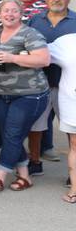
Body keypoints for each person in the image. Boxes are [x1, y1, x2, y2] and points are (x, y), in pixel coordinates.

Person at [0, 0, 50, 192]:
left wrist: (13, 58)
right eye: (5, 11)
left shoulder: (29, 34)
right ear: (0, 14)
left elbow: (44, 59)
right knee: (10, 136)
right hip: (4, 95)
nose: (9, 14)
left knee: (12, 134)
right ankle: (24, 177)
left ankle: (0, 176)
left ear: (21, 13)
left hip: (30, 94)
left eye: (14, 11)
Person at [27, 0, 76, 174]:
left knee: (72, 129)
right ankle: (34, 162)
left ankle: (73, 173)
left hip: (69, 87)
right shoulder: (34, 21)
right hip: (39, 83)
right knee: (35, 126)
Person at [46, 33, 76, 202]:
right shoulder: (67, 41)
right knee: (74, 145)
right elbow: (40, 53)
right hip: (72, 103)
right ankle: (74, 188)